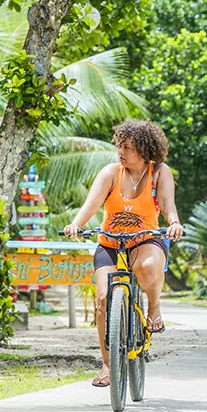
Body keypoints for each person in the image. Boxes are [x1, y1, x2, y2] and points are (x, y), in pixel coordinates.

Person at [61, 119, 184, 388]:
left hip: (145, 240)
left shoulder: (160, 172)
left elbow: (166, 204)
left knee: (148, 267)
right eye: (120, 146)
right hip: (110, 242)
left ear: (143, 148)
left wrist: (174, 222)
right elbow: (92, 203)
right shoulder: (110, 173)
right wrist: (76, 224)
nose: (121, 152)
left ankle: (153, 307)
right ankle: (107, 365)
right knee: (103, 300)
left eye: (127, 147)